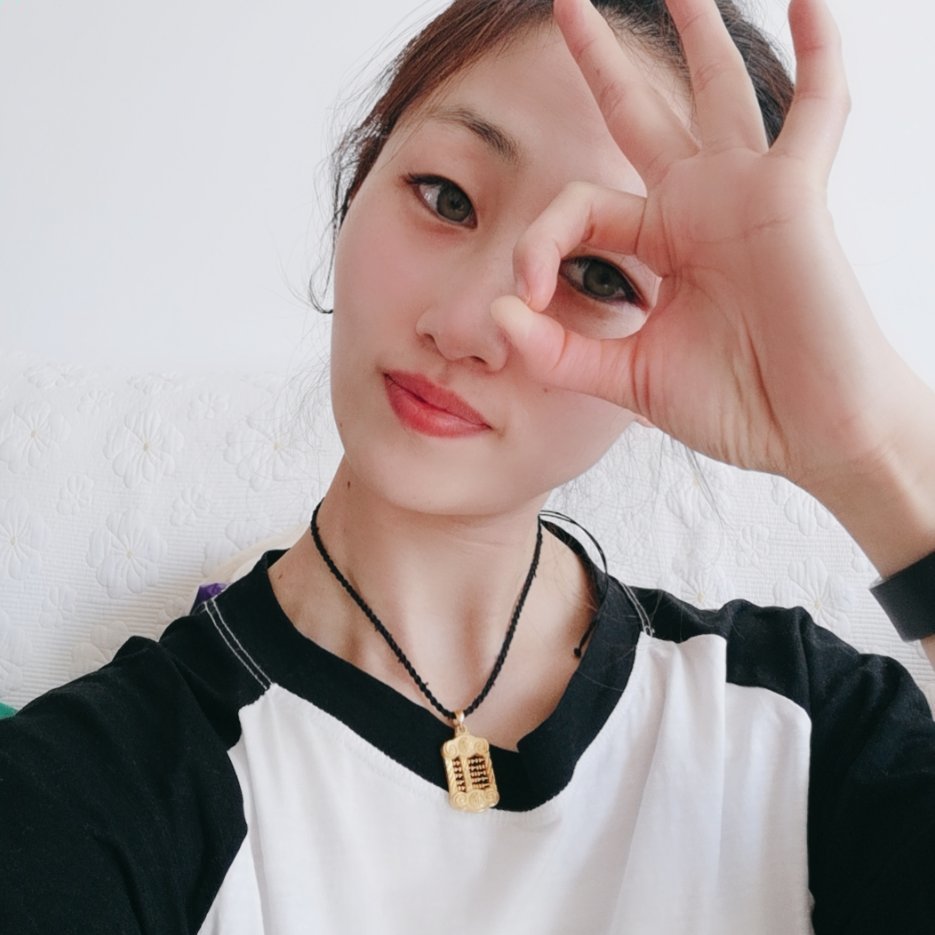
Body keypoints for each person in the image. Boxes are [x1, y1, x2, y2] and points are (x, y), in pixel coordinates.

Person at [1, 0, 934, 931]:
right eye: (446, 197)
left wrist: (870, 448)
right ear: (357, 185)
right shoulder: (92, 786)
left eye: (598, 276)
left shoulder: (799, 727)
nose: (466, 325)